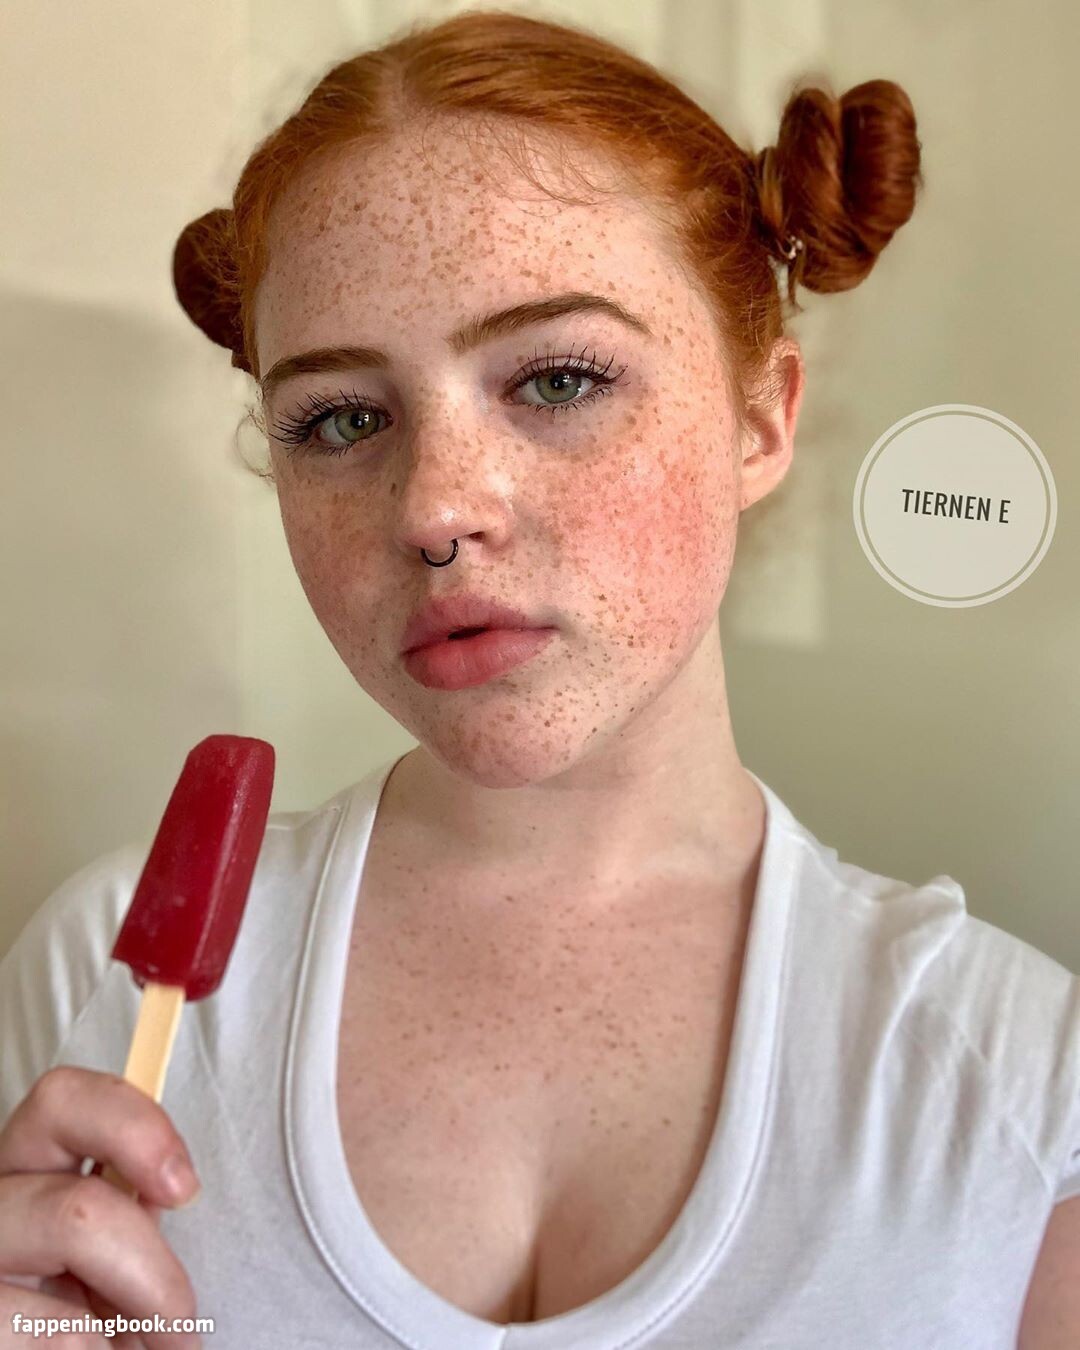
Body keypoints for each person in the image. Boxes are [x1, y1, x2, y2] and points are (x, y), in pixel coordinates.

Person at [1, 10, 1077, 1348]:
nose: (434, 511)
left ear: (760, 418)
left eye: (559, 380)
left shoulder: (1017, 1089)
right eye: (340, 418)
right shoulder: (104, 987)